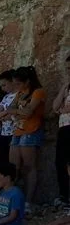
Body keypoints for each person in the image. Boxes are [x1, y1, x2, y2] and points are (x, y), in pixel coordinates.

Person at [6, 66, 46, 209]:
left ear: (27, 81)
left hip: (31, 130)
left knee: (29, 167)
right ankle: (14, 200)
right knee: (14, 167)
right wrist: (19, 111)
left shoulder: (38, 92)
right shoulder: (20, 94)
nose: (16, 87)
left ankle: (29, 201)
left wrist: (17, 111)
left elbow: (29, 112)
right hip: (18, 131)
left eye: (18, 83)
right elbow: (8, 110)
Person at [53, 54, 70, 207]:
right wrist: (64, 88)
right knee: (61, 162)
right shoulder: (66, 86)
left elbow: (65, 108)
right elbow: (55, 107)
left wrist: (62, 109)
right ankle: (65, 195)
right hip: (64, 127)